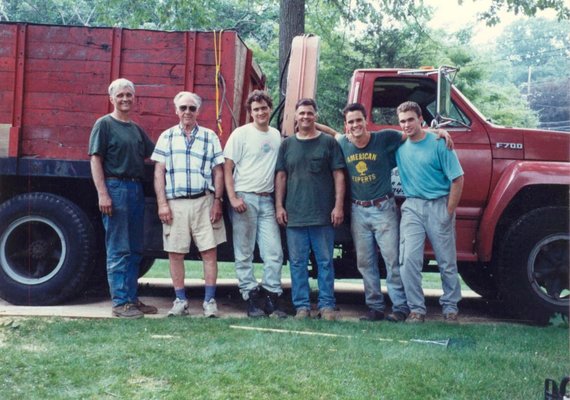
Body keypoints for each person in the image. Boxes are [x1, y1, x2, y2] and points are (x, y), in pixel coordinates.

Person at [151, 91, 226, 318]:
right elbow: (159, 172)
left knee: (209, 252)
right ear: (176, 110)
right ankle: (180, 301)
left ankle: (209, 302)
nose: (187, 112)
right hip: (176, 204)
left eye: (192, 108)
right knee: (175, 253)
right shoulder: (166, 137)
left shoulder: (209, 136)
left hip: (204, 201)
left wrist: (218, 202)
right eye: (183, 108)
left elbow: (218, 171)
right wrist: (162, 203)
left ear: (198, 111)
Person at [88, 78, 158, 319]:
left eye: (129, 94)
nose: (125, 99)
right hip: (115, 188)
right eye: (120, 95)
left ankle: (131, 299)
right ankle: (119, 303)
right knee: (119, 248)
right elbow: (95, 159)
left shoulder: (136, 129)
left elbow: (157, 154)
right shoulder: (104, 124)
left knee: (135, 248)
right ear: (111, 99)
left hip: (136, 189)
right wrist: (103, 193)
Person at [335, 103, 410, 322]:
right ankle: (375, 307)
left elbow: (412, 133)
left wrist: (440, 132)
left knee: (392, 260)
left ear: (366, 120)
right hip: (358, 210)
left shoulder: (384, 138)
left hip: (383, 208)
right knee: (365, 262)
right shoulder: (343, 143)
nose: (355, 125)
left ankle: (400, 307)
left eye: (359, 120)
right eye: (351, 122)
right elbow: (331, 134)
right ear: (346, 126)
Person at [275, 98, 346, 321]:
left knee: (324, 262)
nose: (305, 117)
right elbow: (281, 176)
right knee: (297, 263)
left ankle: (326, 306)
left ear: (316, 115)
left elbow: (339, 175)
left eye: (309, 113)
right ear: (295, 117)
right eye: (302, 113)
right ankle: (302, 307)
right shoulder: (287, 145)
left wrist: (338, 206)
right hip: (294, 215)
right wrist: (279, 206)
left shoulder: (328, 143)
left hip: (323, 215)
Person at [395, 101, 464, 323]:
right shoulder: (399, 145)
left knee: (446, 260)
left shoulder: (439, 143)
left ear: (420, 120)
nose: (406, 125)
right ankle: (417, 309)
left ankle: (450, 307)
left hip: (439, 204)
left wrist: (448, 211)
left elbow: (458, 179)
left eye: (410, 120)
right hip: (412, 206)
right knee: (408, 259)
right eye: (402, 121)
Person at [224, 91, 287, 318]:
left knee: (274, 252)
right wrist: (232, 198)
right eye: (256, 109)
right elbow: (227, 167)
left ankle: (271, 296)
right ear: (250, 112)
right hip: (245, 197)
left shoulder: (276, 135)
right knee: (244, 251)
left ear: (270, 109)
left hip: (267, 199)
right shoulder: (240, 134)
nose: (261, 112)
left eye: (264, 108)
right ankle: (250, 296)